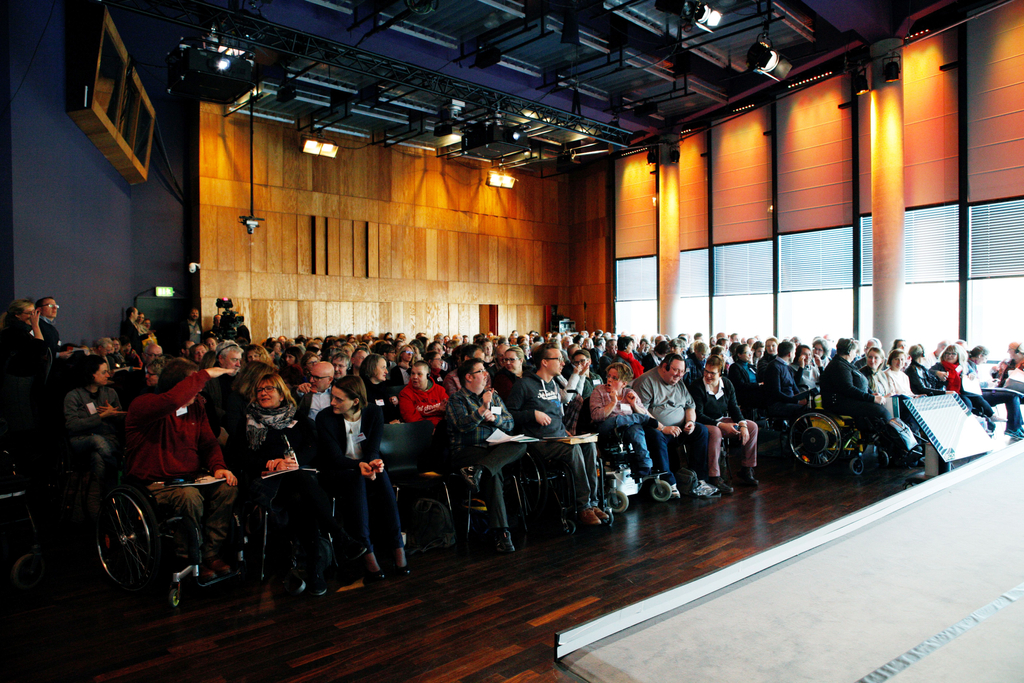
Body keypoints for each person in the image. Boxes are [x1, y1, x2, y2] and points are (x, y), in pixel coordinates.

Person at [230, 373, 365, 596]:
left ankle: (314, 568)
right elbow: (240, 457)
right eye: (260, 390)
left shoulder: (296, 416)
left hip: (297, 479)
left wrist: (295, 461)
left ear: (282, 394)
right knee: (302, 485)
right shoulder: (248, 420)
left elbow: (312, 446)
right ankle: (335, 541)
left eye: (269, 389)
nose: (263, 393)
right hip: (266, 481)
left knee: (300, 497)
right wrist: (270, 463)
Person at [124, 359, 239, 581]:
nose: (199, 390)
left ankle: (210, 552)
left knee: (227, 488)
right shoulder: (144, 405)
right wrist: (205, 374)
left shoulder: (195, 407)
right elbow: (173, 400)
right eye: (194, 385)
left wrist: (218, 467)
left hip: (188, 478)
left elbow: (208, 443)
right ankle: (189, 557)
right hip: (153, 483)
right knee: (189, 497)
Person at [316, 376, 408, 582]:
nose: (332, 402)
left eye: (339, 399)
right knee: (357, 478)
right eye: (333, 397)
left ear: (355, 401)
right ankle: (368, 552)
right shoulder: (325, 418)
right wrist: (360, 466)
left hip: (365, 466)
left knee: (382, 475)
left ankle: (397, 546)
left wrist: (373, 463)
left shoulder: (373, 412)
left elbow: (373, 448)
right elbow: (335, 458)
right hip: (337, 471)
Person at [506, 343, 607, 526]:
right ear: (544, 362)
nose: (563, 363)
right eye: (558, 359)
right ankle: (583, 506)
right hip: (538, 442)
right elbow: (509, 414)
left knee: (589, 445)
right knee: (573, 450)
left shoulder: (553, 384)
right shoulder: (524, 385)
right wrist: (532, 414)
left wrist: (565, 431)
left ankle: (593, 502)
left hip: (559, 436)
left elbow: (556, 414)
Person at [446, 358, 525, 553]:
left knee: (520, 444)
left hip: (493, 448)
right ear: (469, 377)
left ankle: (478, 470)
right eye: (481, 371)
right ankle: (502, 533)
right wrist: (482, 410)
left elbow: (510, 423)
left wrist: (496, 419)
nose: (486, 374)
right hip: (467, 450)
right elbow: (462, 425)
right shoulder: (457, 399)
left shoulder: (493, 396)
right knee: (494, 474)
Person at [632, 353, 708, 488]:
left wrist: (690, 422)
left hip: (680, 428)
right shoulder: (646, 381)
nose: (679, 375)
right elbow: (641, 411)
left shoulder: (678, 382)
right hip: (657, 428)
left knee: (701, 430)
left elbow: (690, 405)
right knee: (655, 435)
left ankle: (698, 478)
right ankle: (668, 482)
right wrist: (663, 427)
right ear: (664, 367)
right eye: (676, 370)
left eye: (682, 372)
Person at [63, 355, 125, 519]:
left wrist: (115, 414)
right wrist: (101, 416)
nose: (108, 375)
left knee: (98, 458)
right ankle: (118, 469)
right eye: (104, 372)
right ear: (91, 375)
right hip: (82, 439)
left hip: (108, 439)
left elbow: (121, 420)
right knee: (98, 441)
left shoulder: (110, 392)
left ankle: (98, 506)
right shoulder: (74, 396)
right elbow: (72, 425)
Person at [589, 362, 666, 491]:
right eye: (608, 376)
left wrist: (634, 405)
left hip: (627, 428)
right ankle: (643, 421)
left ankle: (645, 464)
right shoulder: (599, 391)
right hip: (607, 427)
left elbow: (643, 411)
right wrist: (613, 403)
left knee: (635, 429)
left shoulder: (629, 393)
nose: (609, 380)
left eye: (615, 378)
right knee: (624, 420)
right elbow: (596, 416)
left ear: (624, 383)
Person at [690, 355, 758, 491]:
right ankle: (714, 476)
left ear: (720, 373)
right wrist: (721, 425)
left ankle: (747, 468)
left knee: (752, 427)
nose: (708, 375)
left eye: (712, 373)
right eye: (706, 371)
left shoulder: (726, 384)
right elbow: (699, 415)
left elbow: (734, 408)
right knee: (716, 431)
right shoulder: (697, 386)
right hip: (703, 423)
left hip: (721, 420)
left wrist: (742, 424)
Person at [819, 338, 891, 434]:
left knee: (880, 409)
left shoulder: (844, 364)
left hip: (849, 401)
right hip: (840, 404)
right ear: (849, 352)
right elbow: (848, 389)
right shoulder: (839, 366)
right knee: (881, 412)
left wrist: (871, 394)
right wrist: (872, 398)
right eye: (854, 351)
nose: (855, 354)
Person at [761, 341, 813, 420]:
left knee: (811, 406)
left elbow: (794, 387)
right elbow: (776, 393)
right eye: (794, 353)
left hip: (788, 401)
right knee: (805, 410)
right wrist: (796, 401)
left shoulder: (788, 367)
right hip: (778, 404)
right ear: (790, 354)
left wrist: (801, 397)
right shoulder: (774, 367)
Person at [398, 361, 448, 427]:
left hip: (441, 427)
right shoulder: (405, 394)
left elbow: (450, 410)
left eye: (419, 374)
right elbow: (412, 420)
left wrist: (445, 410)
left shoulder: (440, 390)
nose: (415, 377)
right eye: (413, 373)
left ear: (428, 375)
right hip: (420, 429)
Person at [360, 353, 401, 424]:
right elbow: (367, 418)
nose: (386, 371)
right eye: (383, 367)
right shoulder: (362, 389)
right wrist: (388, 423)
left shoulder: (383, 387)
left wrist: (395, 404)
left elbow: (391, 414)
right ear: (372, 368)